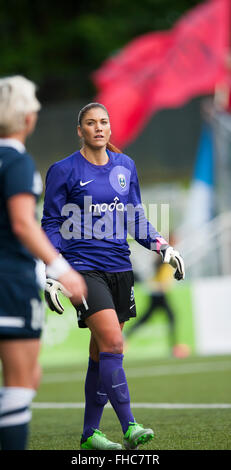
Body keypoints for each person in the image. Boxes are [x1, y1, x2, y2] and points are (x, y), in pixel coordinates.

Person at [42, 102, 185, 450]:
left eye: (104, 122)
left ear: (110, 127)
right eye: (90, 123)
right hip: (84, 271)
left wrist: (162, 246)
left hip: (122, 268)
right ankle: (130, 425)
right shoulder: (63, 170)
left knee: (101, 353)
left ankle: (90, 433)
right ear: (80, 130)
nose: (98, 128)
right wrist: (52, 269)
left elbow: (136, 215)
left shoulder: (126, 166)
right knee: (115, 345)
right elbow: (50, 223)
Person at [0, 75, 87, 451]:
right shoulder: (17, 162)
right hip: (10, 282)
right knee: (21, 384)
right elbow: (22, 222)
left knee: (27, 378)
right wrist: (61, 268)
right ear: (29, 119)